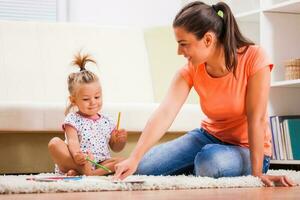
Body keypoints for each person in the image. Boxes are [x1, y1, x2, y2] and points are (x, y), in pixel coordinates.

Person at [114, 1, 295, 187]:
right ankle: (195, 165)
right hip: (207, 137)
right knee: (143, 167)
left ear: (208, 39)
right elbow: (164, 113)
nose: (178, 51)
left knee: (209, 162)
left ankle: (198, 165)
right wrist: (134, 157)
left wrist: (257, 174)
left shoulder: (254, 58)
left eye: (183, 44)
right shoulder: (191, 70)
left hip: (247, 148)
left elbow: (256, 119)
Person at [48, 52, 127, 176]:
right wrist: (77, 156)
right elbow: (72, 142)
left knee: (125, 161)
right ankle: (84, 170)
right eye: (86, 99)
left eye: (97, 97)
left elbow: (115, 147)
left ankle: (88, 173)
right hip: (78, 161)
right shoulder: (73, 119)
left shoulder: (108, 121)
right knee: (54, 143)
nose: (93, 102)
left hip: (102, 162)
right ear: (73, 100)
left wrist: (120, 140)